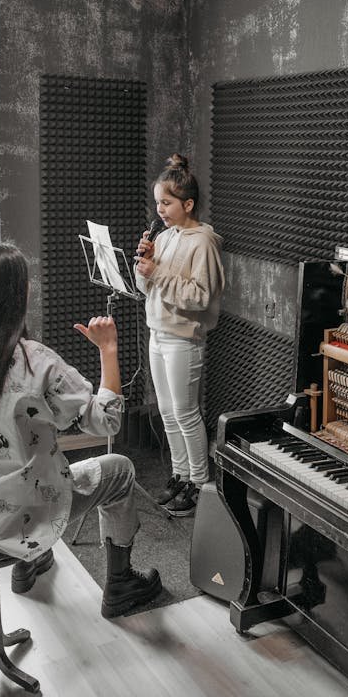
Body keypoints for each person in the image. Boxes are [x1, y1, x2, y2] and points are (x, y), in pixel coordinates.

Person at [0, 242, 161, 619]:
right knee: (120, 470)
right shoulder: (35, 362)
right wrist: (108, 349)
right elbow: (105, 420)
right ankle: (122, 583)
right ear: (16, 297)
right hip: (21, 513)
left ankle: (30, 560)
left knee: (16, 468)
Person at [135, 153, 225, 516]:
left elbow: (201, 297)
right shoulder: (168, 236)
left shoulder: (203, 242)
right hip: (158, 331)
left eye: (167, 202)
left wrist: (156, 273)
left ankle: (200, 484)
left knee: (186, 413)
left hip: (183, 338)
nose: (160, 209)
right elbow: (149, 290)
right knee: (168, 412)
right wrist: (144, 267)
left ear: (188, 204)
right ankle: (179, 475)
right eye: (158, 201)